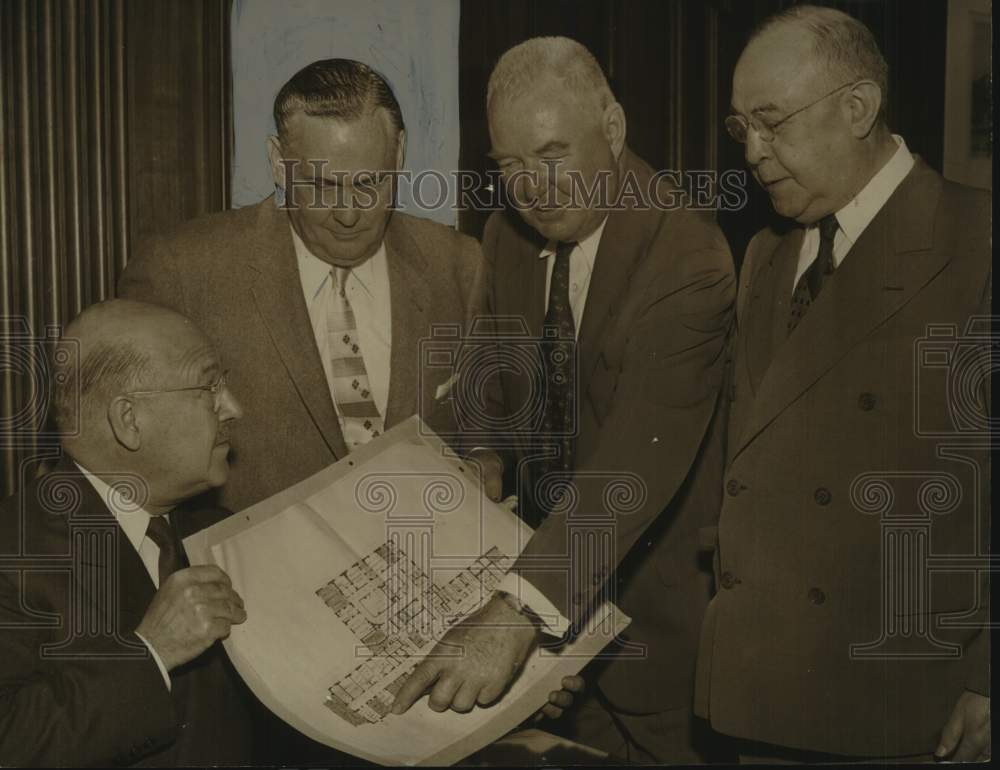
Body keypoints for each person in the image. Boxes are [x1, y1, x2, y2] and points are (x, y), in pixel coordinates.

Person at [393, 37, 736, 764]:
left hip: (655, 643)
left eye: (552, 154)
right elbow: (491, 382)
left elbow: (629, 470)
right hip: (549, 643)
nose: (533, 189)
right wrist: (483, 457)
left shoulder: (689, 254)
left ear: (613, 128)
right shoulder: (507, 236)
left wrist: (518, 612)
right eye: (509, 166)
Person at [694, 6, 991, 763]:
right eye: (741, 128)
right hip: (760, 695)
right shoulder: (765, 255)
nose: (752, 152)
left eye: (771, 123)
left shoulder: (975, 241)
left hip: (901, 704)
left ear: (858, 108)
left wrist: (989, 676)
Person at [118, 58, 496, 514]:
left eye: (370, 183)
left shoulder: (458, 264)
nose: (349, 214)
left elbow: (486, 426)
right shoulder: (181, 272)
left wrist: (483, 463)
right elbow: (131, 465)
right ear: (279, 164)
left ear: (398, 155)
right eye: (322, 186)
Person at [0, 300, 252, 766]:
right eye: (209, 387)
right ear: (129, 420)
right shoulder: (13, 552)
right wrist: (152, 653)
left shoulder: (220, 530)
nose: (234, 408)